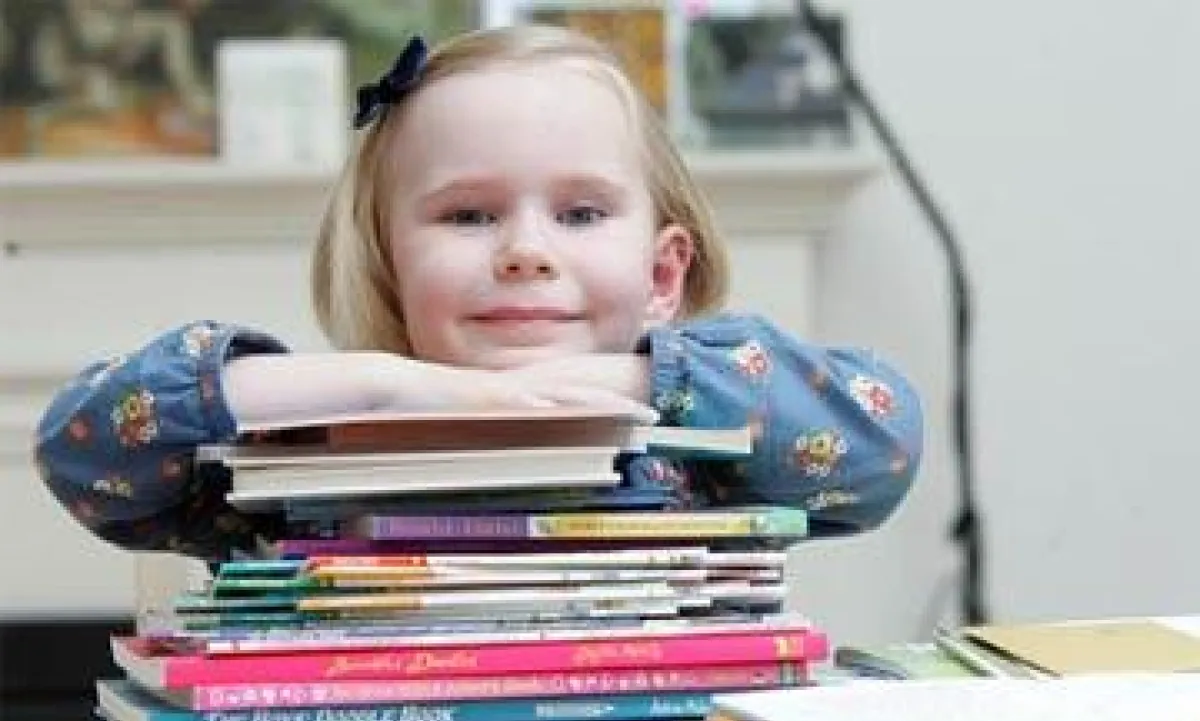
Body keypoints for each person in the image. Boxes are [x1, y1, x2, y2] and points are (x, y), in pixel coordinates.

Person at [33, 25, 923, 564]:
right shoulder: (302, 462)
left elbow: (882, 448)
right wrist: (381, 385)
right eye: (468, 215)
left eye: (580, 213)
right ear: (389, 263)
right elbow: (83, 453)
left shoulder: (705, 449)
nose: (526, 252)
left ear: (661, 275)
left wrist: (616, 384)